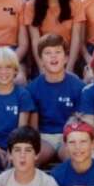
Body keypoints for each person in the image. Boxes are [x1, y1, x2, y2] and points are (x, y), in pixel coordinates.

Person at [27, 34, 85, 164]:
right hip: (44, 138)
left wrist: (70, 135)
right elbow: (33, 128)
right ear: (41, 60)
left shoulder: (78, 86)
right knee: (30, 158)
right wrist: (36, 144)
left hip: (69, 135)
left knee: (76, 158)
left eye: (58, 52)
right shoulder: (32, 88)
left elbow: (81, 119)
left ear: (66, 58)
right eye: (47, 53)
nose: (53, 56)